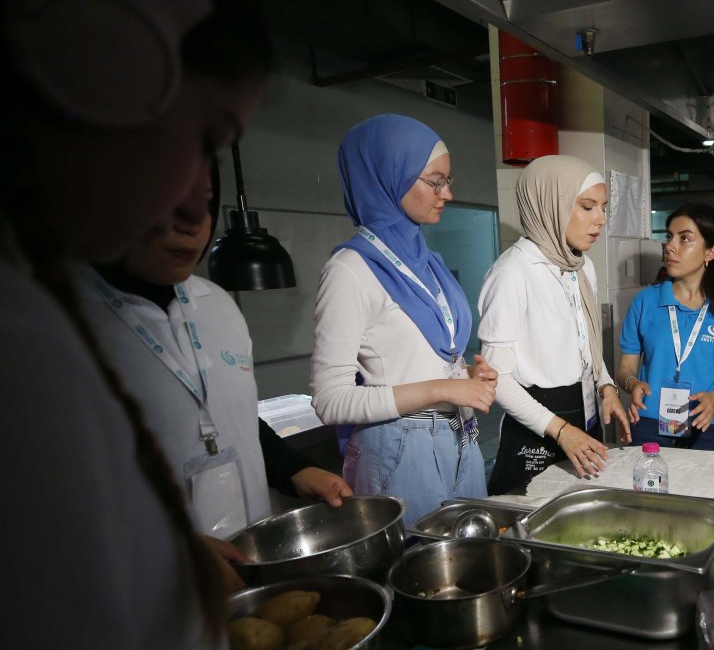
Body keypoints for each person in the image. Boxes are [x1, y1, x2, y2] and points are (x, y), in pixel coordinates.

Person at [0, 0, 271, 647]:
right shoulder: (24, 344)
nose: (190, 197)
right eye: (207, 135)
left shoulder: (35, 311)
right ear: (112, 68)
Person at [80, 160, 353, 545]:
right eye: (169, 194)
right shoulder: (55, 321)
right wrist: (173, 549)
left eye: (204, 198)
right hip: (141, 574)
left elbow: (234, 420)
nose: (191, 220)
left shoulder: (218, 305)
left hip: (249, 550)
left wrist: (293, 469)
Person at [310, 114, 495, 526]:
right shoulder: (351, 268)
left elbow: (415, 359)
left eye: (448, 180)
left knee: (474, 568)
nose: (447, 193)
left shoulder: (430, 263)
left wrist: (465, 376)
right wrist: (441, 388)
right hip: (399, 447)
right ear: (390, 175)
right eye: (435, 181)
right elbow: (329, 400)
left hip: (458, 437)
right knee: (415, 579)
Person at [479, 154, 629, 493]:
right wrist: (560, 429)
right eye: (588, 207)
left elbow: (584, 345)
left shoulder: (580, 265)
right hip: (539, 422)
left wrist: (606, 386)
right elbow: (496, 379)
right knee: (529, 529)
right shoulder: (512, 273)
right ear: (551, 205)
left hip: (583, 414)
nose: (601, 220)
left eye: (604, 207)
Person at [615, 203, 714, 451]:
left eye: (685, 239)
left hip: (708, 424)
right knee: (647, 490)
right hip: (649, 421)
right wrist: (632, 383)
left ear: (710, 252)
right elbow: (625, 367)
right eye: (669, 237)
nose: (670, 246)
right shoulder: (646, 302)